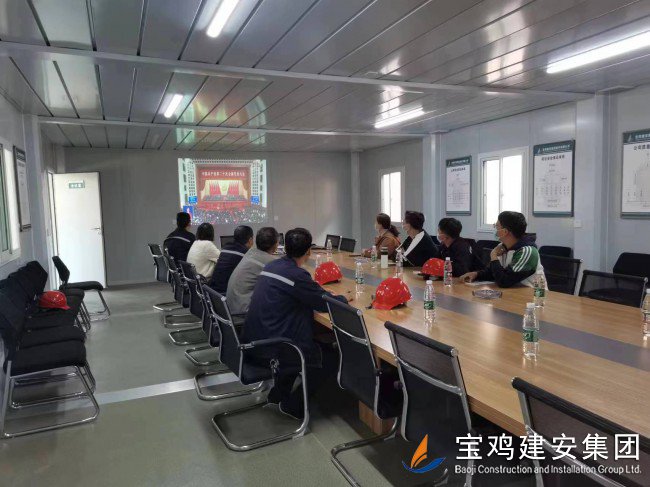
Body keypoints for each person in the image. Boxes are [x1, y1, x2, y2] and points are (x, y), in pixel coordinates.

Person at [242, 228, 352, 419]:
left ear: (284, 248)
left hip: (255, 338)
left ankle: (278, 394)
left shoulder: (271, 266)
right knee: (331, 355)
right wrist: (343, 299)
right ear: (308, 251)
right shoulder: (297, 276)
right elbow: (324, 303)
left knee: (301, 339)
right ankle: (293, 405)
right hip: (272, 346)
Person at [460, 211, 545, 288]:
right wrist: (476, 274)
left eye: (497, 226)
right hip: (511, 293)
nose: (495, 229)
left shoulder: (528, 251)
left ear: (505, 232)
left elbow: (504, 281)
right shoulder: (502, 246)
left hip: (534, 296)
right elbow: (493, 273)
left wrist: (493, 255)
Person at [226, 227, 279, 315]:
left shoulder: (251, 252)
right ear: (276, 244)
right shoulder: (269, 262)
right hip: (242, 312)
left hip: (232, 306)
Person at [209, 225, 254, 294]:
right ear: (250, 240)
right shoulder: (245, 254)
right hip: (225, 293)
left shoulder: (225, 248)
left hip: (213, 292)